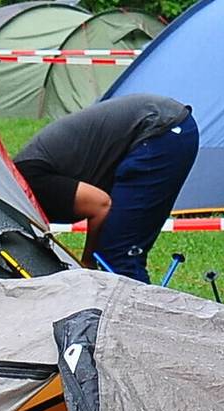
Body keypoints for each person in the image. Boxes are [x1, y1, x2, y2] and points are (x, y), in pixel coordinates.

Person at [13, 93, 198, 283]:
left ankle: (136, 312)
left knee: (117, 254)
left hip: (159, 132)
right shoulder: (22, 178)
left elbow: (100, 205)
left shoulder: (32, 182)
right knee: (117, 251)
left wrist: (87, 262)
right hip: (161, 127)